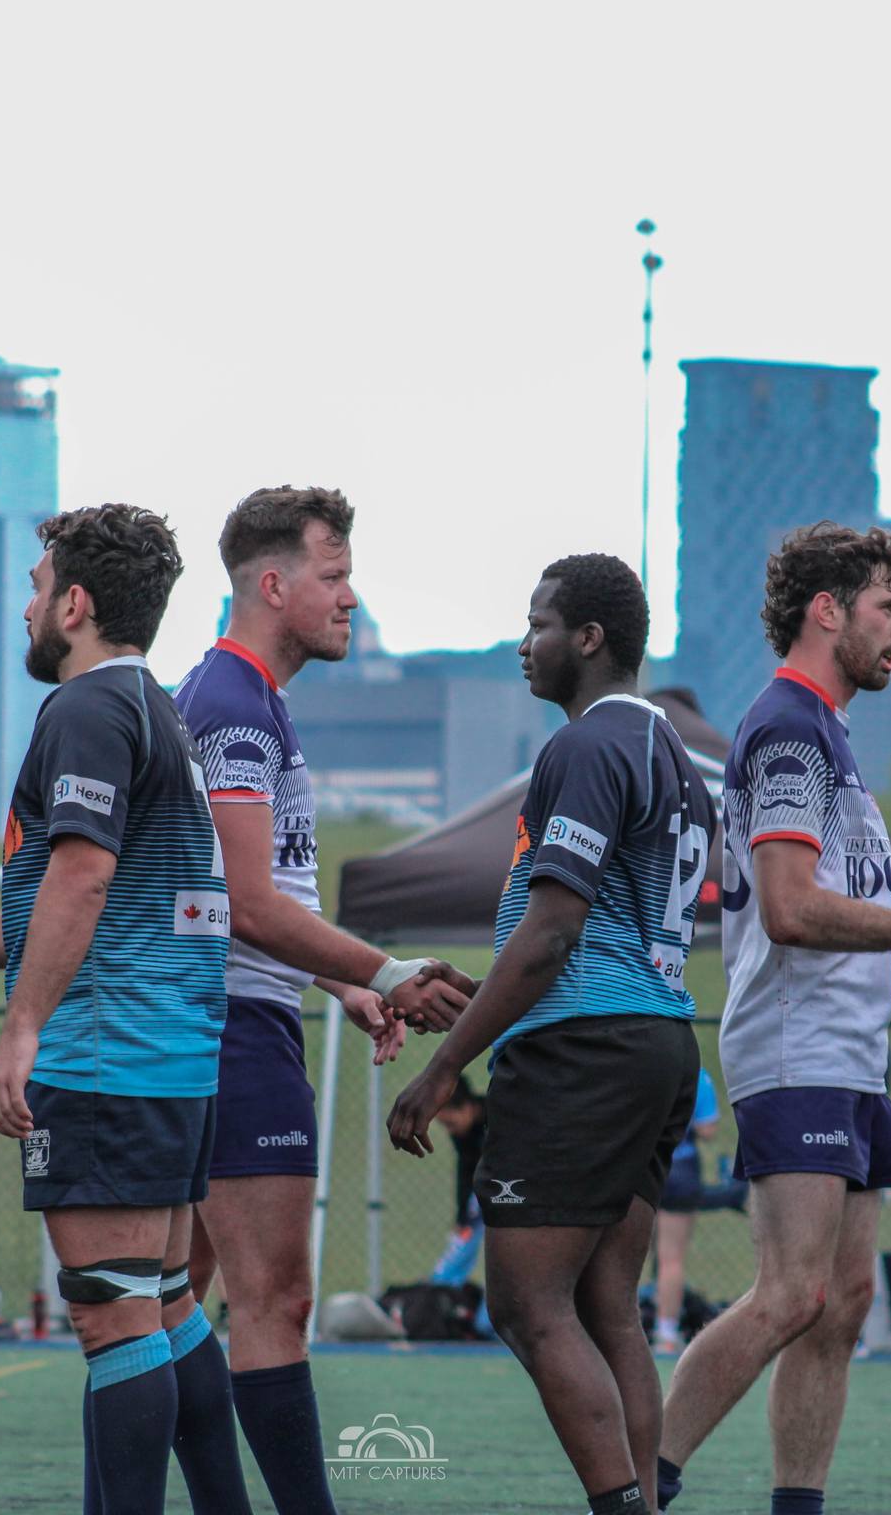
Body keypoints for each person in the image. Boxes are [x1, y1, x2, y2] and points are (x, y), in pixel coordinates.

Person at [656, 521, 891, 1515]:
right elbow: (792, 912)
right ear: (827, 612)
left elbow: (834, 925)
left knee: (842, 1306)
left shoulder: (826, 732)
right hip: (799, 1054)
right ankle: (636, 1487)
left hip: (847, 1055)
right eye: (889, 607)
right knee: (791, 1295)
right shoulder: (790, 729)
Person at [0, 504, 248, 1515]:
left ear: (74, 603)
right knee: (165, 1306)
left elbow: (82, 878)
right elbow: (94, 901)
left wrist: (20, 1029)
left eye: (34, 587)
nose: (25, 609)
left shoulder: (86, 709)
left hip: (108, 1058)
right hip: (170, 1058)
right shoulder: (156, 709)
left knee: (113, 1318)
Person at [389, 553, 715, 1515]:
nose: (522, 644)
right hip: (657, 1042)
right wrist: (487, 1000)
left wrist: (445, 1069)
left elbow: (554, 932)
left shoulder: (586, 745)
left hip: (585, 1053)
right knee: (608, 1309)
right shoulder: (673, 756)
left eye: (537, 625)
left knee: (528, 1305)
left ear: (588, 638)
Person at [173, 483, 471, 1515]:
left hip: (230, 1018)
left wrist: (341, 980)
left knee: (172, 1308)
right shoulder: (230, 703)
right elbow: (247, 903)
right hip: (228, 1029)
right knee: (270, 1301)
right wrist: (384, 972)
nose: (351, 597)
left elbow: (250, 898)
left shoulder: (246, 698)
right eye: (334, 576)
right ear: (272, 584)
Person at [649, 1067, 731, 1356]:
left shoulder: (637, 1060)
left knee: (627, 1255)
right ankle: (666, 1334)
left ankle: (621, 1330)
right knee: (671, 1258)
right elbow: (708, 1129)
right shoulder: (697, 1074)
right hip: (681, 1171)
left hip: (640, 1167)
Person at [427, 1075, 486, 1287]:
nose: (449, 1131)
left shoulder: (499, 1117)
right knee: (469, 1222)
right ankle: (443, 1284)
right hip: (487, 1187)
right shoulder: (464, 1134)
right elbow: (466, 1172)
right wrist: (461, 1217)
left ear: (468, 1107)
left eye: (450, 1123)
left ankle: (441, 1284)